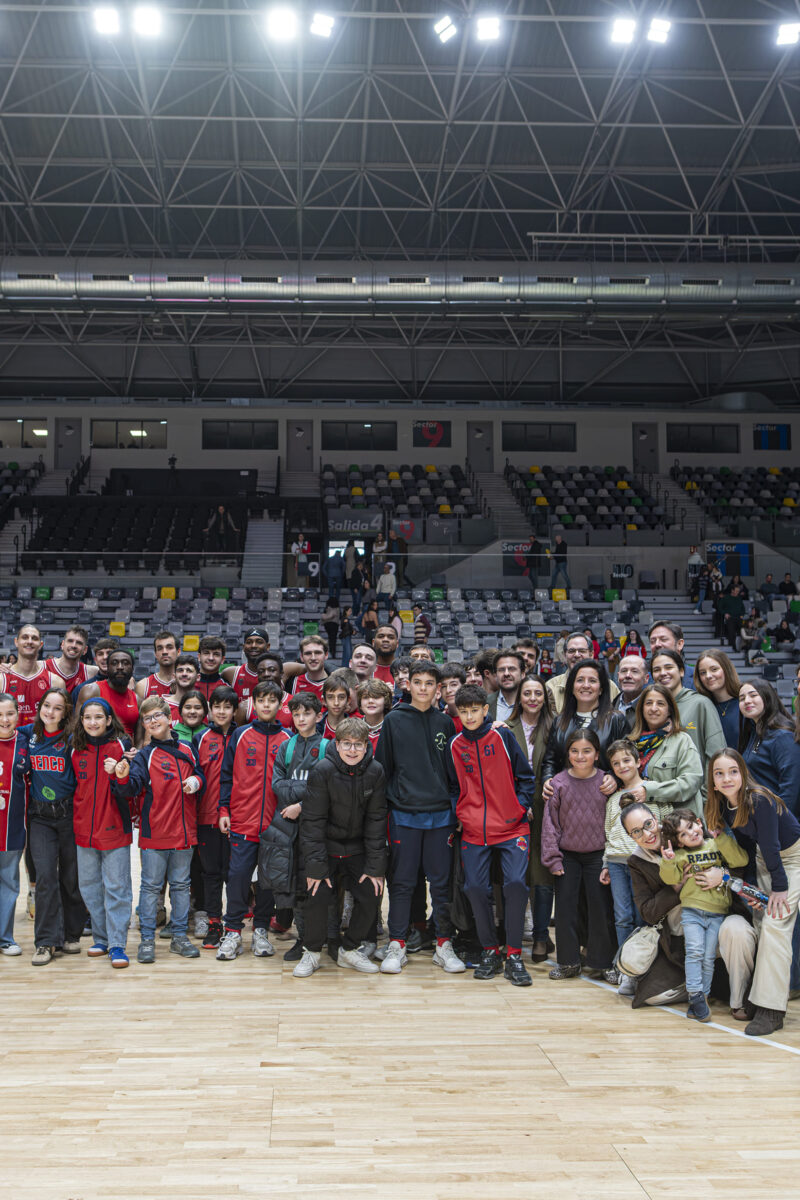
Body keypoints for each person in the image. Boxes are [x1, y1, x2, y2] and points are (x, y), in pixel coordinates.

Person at [621, 796, 757, 1014]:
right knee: (653, 996)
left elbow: (739, 868)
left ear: (655, 819)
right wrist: (677, 886)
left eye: (648, 824)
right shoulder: (637, 861)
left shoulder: (687, 832)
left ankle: (737, 998)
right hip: (679, 939)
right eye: (636, 832)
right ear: (630, 837)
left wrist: (721, 875)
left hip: (718, 919)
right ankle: (695, 987)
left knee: (736, 932)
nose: (646, 834)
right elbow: (648, 912)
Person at [707, 749, 800, 1036]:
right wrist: (751, 889)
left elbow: (772, 846)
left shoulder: (759, 799)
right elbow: (750, 850)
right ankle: (757, 999)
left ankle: (772, 1010)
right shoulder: (722, 805)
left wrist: (780, 889)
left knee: (776, 924)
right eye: (719, 773)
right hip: (764, 859)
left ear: (743, 773)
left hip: (792, 858)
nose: (727, 778)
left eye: (733, 771)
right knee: (760, 923)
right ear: (712, 780)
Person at [374, 661, 457, 975]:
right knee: (402, 883)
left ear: (438, 688)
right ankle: (397, 943)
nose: (423, 688)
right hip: (404, 815)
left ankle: (443, 944)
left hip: (440, 817)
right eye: (417, 682)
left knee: (441, 884)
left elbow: (451, 774)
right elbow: (383, 769)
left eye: (429, 683)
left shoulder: (445, 723)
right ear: (408, 685)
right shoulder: (394, 720)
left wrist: (451, 807)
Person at [450, 683, 535, 985]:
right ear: (457, 713)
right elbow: (452, 787)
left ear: (486, 710)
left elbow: (526, 776)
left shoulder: (502, 735)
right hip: (474, 829)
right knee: (474, 888)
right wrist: (459, 814)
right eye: (464, 711)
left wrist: (520, 806)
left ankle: (513, 954)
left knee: (514, 884)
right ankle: (489, 950)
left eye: (475, 710)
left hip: (512, 826)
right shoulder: (455, 744)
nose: (470, 716)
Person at [112, 696, 204, 964]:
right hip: (155, 833)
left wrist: (196, 781)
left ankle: (179, 938)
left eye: (157, 716)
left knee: (181, 886)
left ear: (169, 718)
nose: (152, 721)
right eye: (147, 718)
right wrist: (122, 775)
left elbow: (201, 775)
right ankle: (147, 940)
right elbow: (131, 788)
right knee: (151, 888)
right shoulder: (144, 755)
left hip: (185, 831)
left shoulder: (187, 749)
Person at [293, 717, 387, 979]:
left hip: (356, 848)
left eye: (358, 745)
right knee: (317, 893)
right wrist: (316, 867)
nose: (353, 750)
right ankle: (311, 952)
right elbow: (312, 823)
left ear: (367, 746)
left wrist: (375, 867)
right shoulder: (322, 770)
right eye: (347, 744)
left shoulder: (375, 771)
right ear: (337, 744)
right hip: (326, 845)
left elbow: (376, 821)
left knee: (372, 891)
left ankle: (349, 948)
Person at [215, 680, 291, 962]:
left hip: (276, 825)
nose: (267, 705)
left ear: (280, 704)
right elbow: (225, 776)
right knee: (237, 878)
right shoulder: (241, 735)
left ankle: (260, 930)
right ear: (253, 704)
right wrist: (224, 810)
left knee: (269, 882)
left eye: (273, 700)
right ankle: (233, 931)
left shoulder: (287, 739)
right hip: (243, 821)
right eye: (262, 700)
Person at [658, 807, 749, 1022]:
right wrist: (669, 860)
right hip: (691, 912)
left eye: (690, 826)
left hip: (717, 913)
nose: (690, 833)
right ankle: (695, 994)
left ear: (699, 823)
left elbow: (740, 860)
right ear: (679, 842)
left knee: (708, 957)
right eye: (683, 834)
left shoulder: (716, 844)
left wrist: (722, 837)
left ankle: (701, 999)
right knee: (695, 952)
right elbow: (670, 879)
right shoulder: (680, 855)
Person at [541, 729, 617, 982]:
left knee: (600, 908)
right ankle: (569, 962)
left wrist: (608, 860)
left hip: (598, 856)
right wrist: (553, 858)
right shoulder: (558, 784)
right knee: (565, 909)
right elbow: (550, 824)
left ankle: (602, 961)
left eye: (587, 751)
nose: (580, 756)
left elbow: (614, 822)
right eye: (574, 751)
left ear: (597, 754)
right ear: (567, 754)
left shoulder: (607, 783)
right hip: (567, 857)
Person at [70, 697, 134, 968]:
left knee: (117, 888)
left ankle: (118, 944)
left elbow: (131, 788)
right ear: (81, 721)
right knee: (90, 888)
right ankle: (101, 938)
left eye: (98, 717)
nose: (93, 722)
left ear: (109, 720)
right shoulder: (75, 749)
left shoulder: (122, 747)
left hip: (115, 828)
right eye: (87, 717)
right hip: (83, 829)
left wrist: (117, 774)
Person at [26, 688, 85, 967]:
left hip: (68, 815)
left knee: (70, 878)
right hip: (39, 818)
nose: (50, 711)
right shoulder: (30, 735)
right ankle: (46, 942)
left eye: (57, 708)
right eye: (46, 705)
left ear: (66, 713)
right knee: (46, 876)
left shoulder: (72, 740)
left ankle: (71, 934)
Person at [271, 692, 330, 963]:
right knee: (295, 885)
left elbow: (329, 789)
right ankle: (302, 938)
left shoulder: (329, 746)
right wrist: (302, 797)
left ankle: (321, 938)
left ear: (319, 716)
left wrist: (302, 805)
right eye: (296, 714)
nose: (301, 718)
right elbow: (277, 784)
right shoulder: (287, 745)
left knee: (316, 884)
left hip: (318, 828)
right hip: (289, 826)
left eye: (307, 713)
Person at [505, 674, 554, 962]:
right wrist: (519, 804)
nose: (533, 698)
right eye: (528, 693)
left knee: (543, 872)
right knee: (516, 873)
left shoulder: (555, 727)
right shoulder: (505, 728)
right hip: (515, 806)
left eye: (538, 693)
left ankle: (540, 937)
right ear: (519, 697)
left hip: (550, 807)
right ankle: (508, 934)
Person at [192, 686, 237, 951]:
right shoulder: (200, 737)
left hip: (236, 818)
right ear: (210, 709)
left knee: (234, 874)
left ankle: (232, 924)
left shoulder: (243, 735)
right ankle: (213, 923)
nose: (221, 711)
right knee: (210, 873)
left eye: (227, 707)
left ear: (235, 710)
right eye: (217, 706)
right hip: (206, 817)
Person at [541, 658, 628, 791]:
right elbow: (550, 761)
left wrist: (615, 778)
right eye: (580, 680)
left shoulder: (616, 720)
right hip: (566, 796)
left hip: (603, 795)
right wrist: (548, 779)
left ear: (601, 689)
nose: (586, 685)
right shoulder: (559, 721)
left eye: (592, 681)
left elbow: (627, 759)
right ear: (572, 687)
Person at [628, 683, 704, 818]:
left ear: (670, 710)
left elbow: (691, 782)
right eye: (648, 703)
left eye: (660, 704)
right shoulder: (632, 743)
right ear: (641, 709)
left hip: (680, 823)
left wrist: (650, 791)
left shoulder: (682, 740)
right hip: (643, 824)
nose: (653, 708)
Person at [649, 649, 725, 776]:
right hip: (661, 791)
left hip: (696, 792)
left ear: (681, 671)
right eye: (656, 670)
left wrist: (706, 793)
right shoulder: (652, 709)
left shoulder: (700, 704)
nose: (662, 673)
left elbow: (716, 754)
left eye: (668, 667)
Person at [739, 679, 800, 815]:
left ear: (767, 697)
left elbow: (791, 787)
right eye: (742, 698)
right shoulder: (754, 734)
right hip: (764, 818)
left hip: (783, 823)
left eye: (753, 695)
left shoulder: (782, 736)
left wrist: (781, 822)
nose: (747, 701)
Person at [0, 694, 29, 957]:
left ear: (18, 714)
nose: (5, 720)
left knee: (9, 883)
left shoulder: (25, 743)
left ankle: (5, 938)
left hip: (11, 829)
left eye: (9, 713)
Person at [545, 631, 619, 713]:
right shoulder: (550, 687)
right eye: (571, 651)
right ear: (565, 656)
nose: (576, 655)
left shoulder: (610, 687)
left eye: (582, 651)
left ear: (591, 655)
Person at [0, 624, 61, 723]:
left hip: (42, 738)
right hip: (10, 738)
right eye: (25, 637)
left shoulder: (55, 681)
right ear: (16, 642)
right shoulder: (2, 680)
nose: (29, 641)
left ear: (41, 645)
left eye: (34, 638)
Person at [79, 649, 140, 740]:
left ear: (132, 669)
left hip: (128, 752)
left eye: (125, 663)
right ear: (107, 668)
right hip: (96, 751)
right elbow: (77, 729)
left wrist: (137, 752)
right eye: (114, 663)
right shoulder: (91, 691)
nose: (120, 667)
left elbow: (140, 739)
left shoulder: (138, 700)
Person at [694, 649, 741, 747]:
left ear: (726, 669)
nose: (708, 676)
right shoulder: (702, 708)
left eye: (714, 669)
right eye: (703, 672)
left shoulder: (745, 703)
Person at [222, 627, 270, 704]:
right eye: (249, 642)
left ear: (268, 646)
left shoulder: (279, 673)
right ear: (244, 647)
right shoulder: (231, 673)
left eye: (259, 642)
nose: (253, 645)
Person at [45, 626, 98, 695]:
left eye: (79, 643)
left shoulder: (90, 672)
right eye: (70, 641)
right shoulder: (44, 667)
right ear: (62, 644)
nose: (74, 645)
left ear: (85, 650)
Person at [135, 630, 178, 700]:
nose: (164, 652)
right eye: (160, 648)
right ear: (155, 654)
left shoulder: (187, 684)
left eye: (169, 647)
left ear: (178, 652)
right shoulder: (143, 686)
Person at [288, 635, 329, 704]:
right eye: (308, 653)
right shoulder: (292, 683)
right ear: (301, 657)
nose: (313, 658)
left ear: (326, 655)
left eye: (318, 653)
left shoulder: (335, 683)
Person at [356, 678, 393, 751]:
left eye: (376, 697)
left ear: (385, 701)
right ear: (360, 703)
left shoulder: (393, 729)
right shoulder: (352, 728)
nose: (370, 701)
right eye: (365, 697)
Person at [488, 650, 524, 723]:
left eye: (512, 669)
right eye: (501, 670)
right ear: (495, 675)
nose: (506, 673)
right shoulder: (485, 703)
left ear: (522, 674)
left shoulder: (531, 703)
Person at [614, 656, 649, 728]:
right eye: (624, 671)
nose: (628, 676)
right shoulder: (609, 706)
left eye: (634, 671)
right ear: (618, 676)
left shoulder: (650, 709)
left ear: (646, 678)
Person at [193, 636, 228, 702]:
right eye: (206, 653)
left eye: (216, 654)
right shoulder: (188, 684)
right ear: (199, 657)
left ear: (222, 659)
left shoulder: (227, 687)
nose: (211, 658)